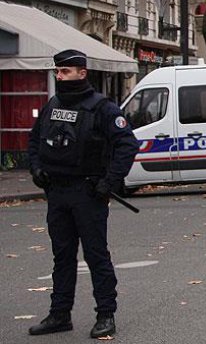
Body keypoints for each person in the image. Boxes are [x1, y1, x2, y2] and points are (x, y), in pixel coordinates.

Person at [26, 50, 139, 339]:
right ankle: (60, 314)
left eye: (66, 72)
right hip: (58, 192)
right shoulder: (53, 105)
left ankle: (105, 315)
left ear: (82, 73)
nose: (60, 76)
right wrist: (36, 168)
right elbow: (35, 140)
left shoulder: (102, 108)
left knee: (96, 255)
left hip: (88, 193)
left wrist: (110, 182)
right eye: (57, 72)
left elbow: (127, 144)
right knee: (62, 256)